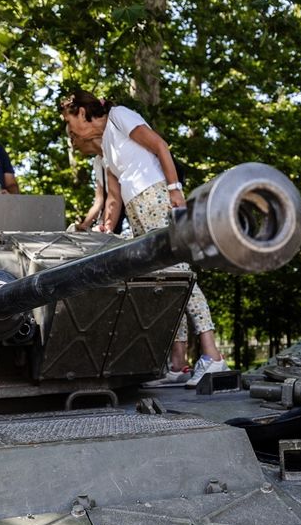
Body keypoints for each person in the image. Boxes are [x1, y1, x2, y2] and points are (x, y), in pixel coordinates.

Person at [59, 89, 227, 388]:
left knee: (180, 274)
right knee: (163, 283)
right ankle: (177, 363)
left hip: (155, 196)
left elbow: (160, 145)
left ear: (83, 113)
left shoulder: (121, 116)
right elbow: (113, 198)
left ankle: (213, 356)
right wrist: (104, 228)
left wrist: (174, 189)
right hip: (136, 208)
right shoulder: (106, 148)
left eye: (70, 121)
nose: (70, 129)